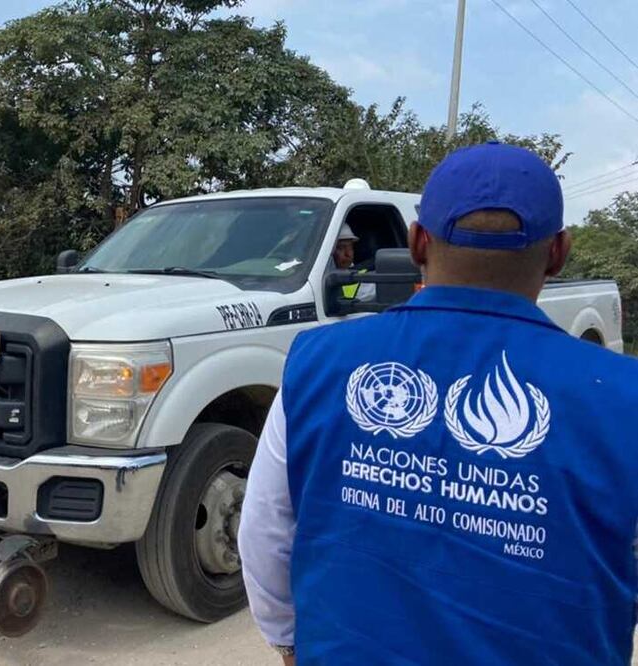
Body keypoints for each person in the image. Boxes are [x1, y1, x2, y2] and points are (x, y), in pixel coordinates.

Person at [238, 143, 638, 665]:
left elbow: (265, 534)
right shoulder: (622, 399)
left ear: (418, 242)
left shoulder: (317, 362)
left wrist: (290, 644)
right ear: (559, 253)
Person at [332, 223, 374, 301]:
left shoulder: (365, 278)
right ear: (330, 251)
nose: (348, 254)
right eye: (341, 248)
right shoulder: (316, 277)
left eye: (350, 247)